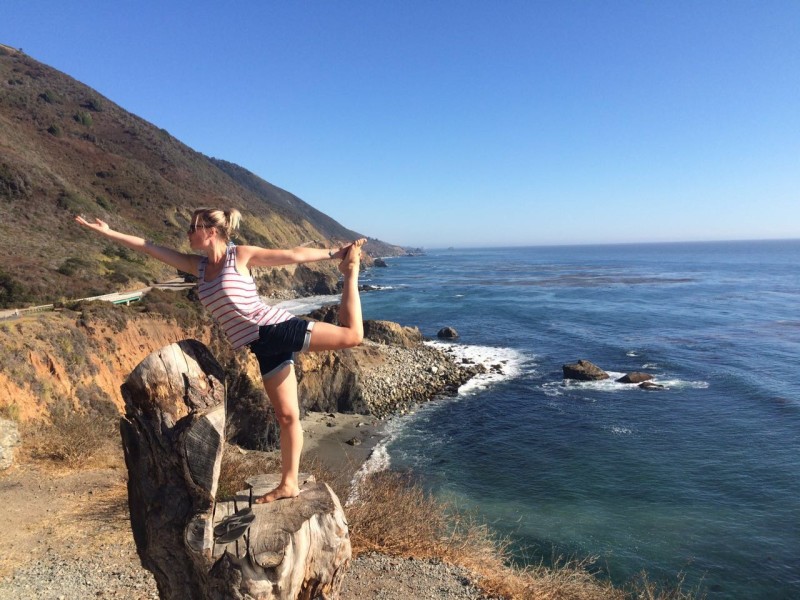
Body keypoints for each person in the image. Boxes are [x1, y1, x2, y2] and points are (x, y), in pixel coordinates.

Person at [76, 207, 365, 502]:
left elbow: (291, 254)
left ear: (210, 231)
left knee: (354, 336)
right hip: (260, 345)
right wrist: (107, 231)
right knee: (287, 416)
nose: (188, 233)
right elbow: (150, 248)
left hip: (276, 327)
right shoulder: (198, 267)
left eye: (193, 227)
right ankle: (289, 484)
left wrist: (334, 254)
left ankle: (350, 273)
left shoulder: (238, 255)